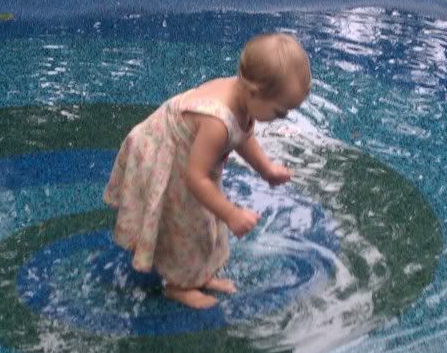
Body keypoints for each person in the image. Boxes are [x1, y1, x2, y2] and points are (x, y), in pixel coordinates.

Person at [103, 33, 312, 309]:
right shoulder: (217, 122)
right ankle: (179, 286)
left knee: (208, 220)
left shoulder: (243, 98)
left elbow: (243, 135)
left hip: (189, 157)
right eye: (280, 111)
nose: (281, 118)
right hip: (169, 159)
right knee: (189, 225)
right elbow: (196, 178)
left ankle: (199, 275)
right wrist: (231, 212)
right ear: (254, 92)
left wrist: (267, 169)